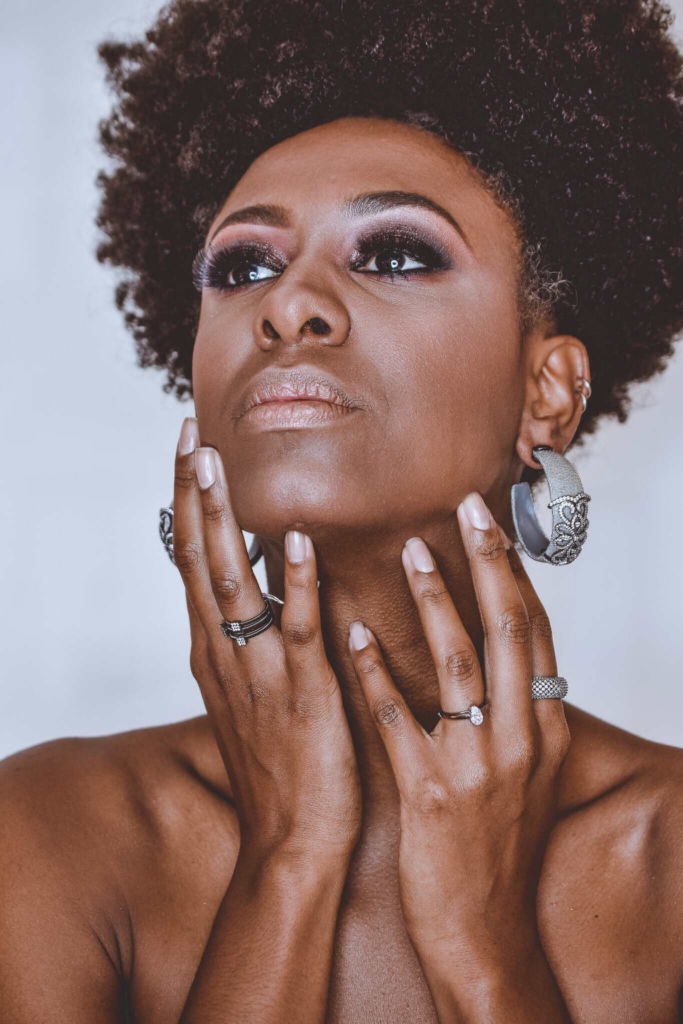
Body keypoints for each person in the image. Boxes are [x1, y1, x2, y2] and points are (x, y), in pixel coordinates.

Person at [2, 0, 683, 1020]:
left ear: (546, 389)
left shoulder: (664, 854)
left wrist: (482, 943)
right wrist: (289, 855)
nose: (286, 304)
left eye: (395, 254)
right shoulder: (47, 834)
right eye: (242, 266)